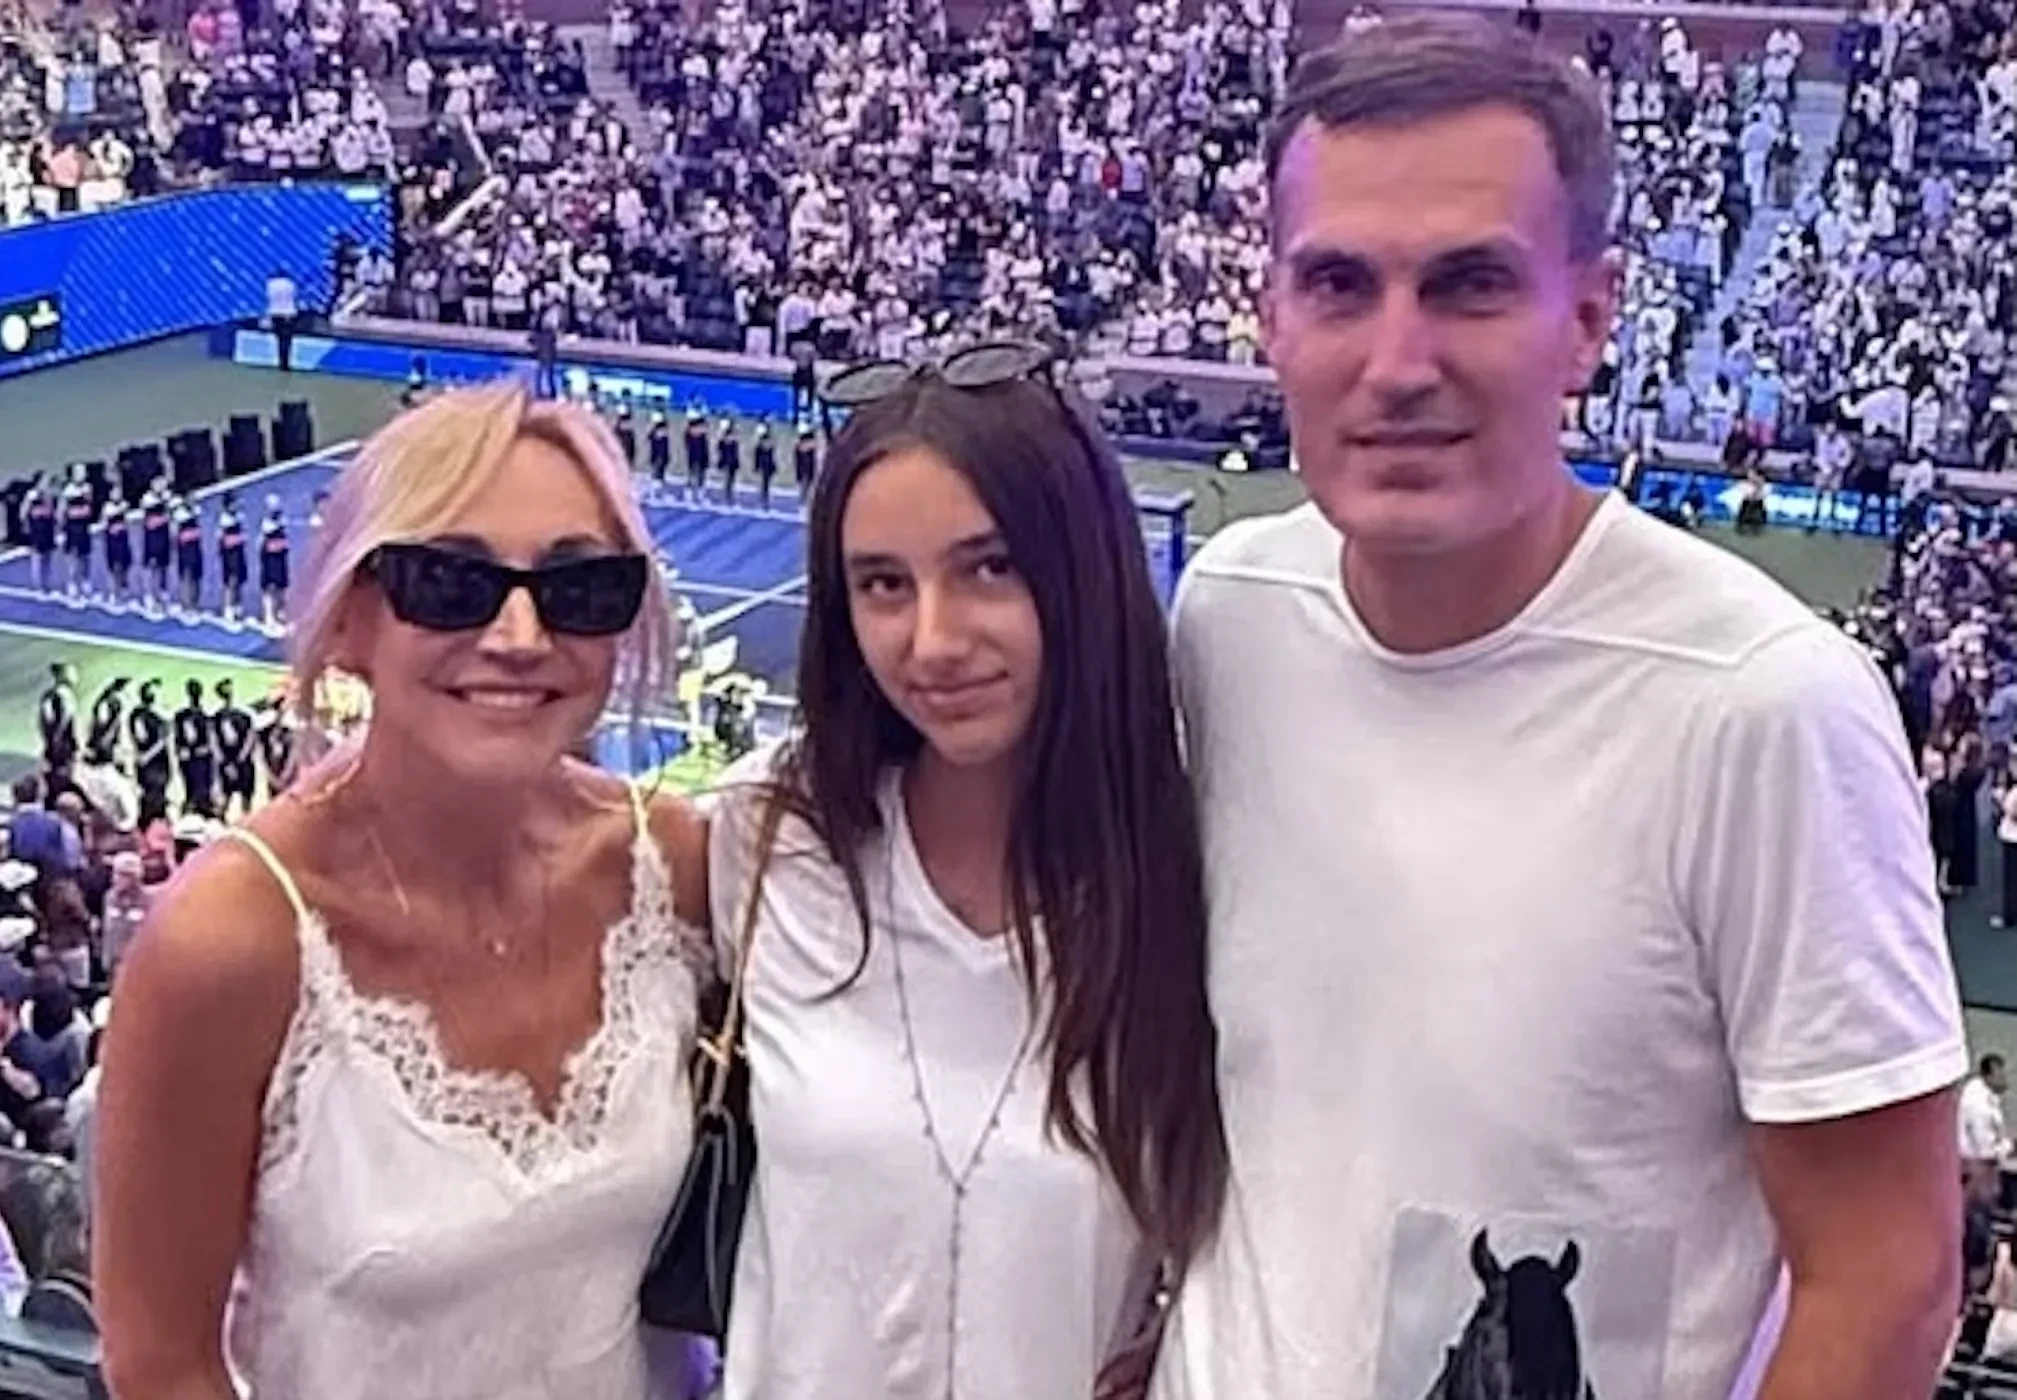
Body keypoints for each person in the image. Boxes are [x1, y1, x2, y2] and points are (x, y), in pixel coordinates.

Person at [1152, 19, 1966, 1400]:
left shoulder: (1758, 707)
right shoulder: (1231, 613)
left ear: (1589, 318)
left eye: (1469, 285)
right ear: (1270, 317)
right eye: (1339, 283)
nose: (1397, 361)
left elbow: (1887, 1274)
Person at [94, 382, 713, 1400]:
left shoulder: (676, 865)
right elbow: (160, 1363)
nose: (519, 634)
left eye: (581, 588)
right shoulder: (232, 940)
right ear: (348, 620)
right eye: (448, 581)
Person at [710, 343, 1224, 1400]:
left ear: (1079, 572)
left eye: (989, 567)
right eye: (882, 585)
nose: (933, 640)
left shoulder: (1195, 879)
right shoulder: (767, 839)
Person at [1961, 1054, 2011, 1206]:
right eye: (2001, 1076)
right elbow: (1986, 1152)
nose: (2006, 1081)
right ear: (1989, 1077)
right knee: (1982, 1207)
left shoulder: (1978, 1092)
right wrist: (2010, 1147)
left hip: (1973, 1162)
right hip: (1976, 1166)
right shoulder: (1979, 1106)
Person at [172, 678, 217, 819]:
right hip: (197, 759)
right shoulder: (201, 716)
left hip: (195, 758)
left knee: (195, 790)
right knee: (197, 791)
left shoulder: (187, 716)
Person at [212, 679, 257, 819]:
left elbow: (251, 737)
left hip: (239, 761)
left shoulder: (243, 714)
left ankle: (245, 821)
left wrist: (238, 760)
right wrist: (227, 762)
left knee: (245, 797)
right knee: (227, 797)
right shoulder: (217, 717)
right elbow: (215, 742)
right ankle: (221, 821)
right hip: (232, 760)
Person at [129, 679, 171, 828]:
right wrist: (149, 754)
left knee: (157, 795)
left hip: (156, 763)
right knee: (153, 798)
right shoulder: (141, 716)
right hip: (151, 764)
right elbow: (143, 739)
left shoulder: (150, 714)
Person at [38, 662, 79, 783]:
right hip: (63, 743)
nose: (75, 677)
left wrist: (50, 739)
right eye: (72, 673)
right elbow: (66, 721)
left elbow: (44, 721)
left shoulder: (49, 695)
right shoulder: (64, 696)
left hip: (56, 743)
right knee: (63, 772)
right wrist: (58, 737)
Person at [258, 494, 290, 633]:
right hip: (270, 561)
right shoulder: (267, 524)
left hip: (280, 559)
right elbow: (264, 539)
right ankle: (269, 616)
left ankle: (280, 613)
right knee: (270, 588)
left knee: (281, 587)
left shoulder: (282, 521)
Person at [216, 494, 249, 626]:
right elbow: (221, 539)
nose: (235, 506)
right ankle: (228, 607)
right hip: (229, 555)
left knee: (240, 579)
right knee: (231, 580)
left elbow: (244, 534)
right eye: (233, 504)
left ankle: (238, 606)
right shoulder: (224, 520)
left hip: (239, 553)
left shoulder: (240, 517)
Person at [85, 677, 129, 767]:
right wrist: (106, 738)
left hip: (105, 741)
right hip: (104, 742)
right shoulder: (108, 702)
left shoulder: (107, 701)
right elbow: (104, 724)